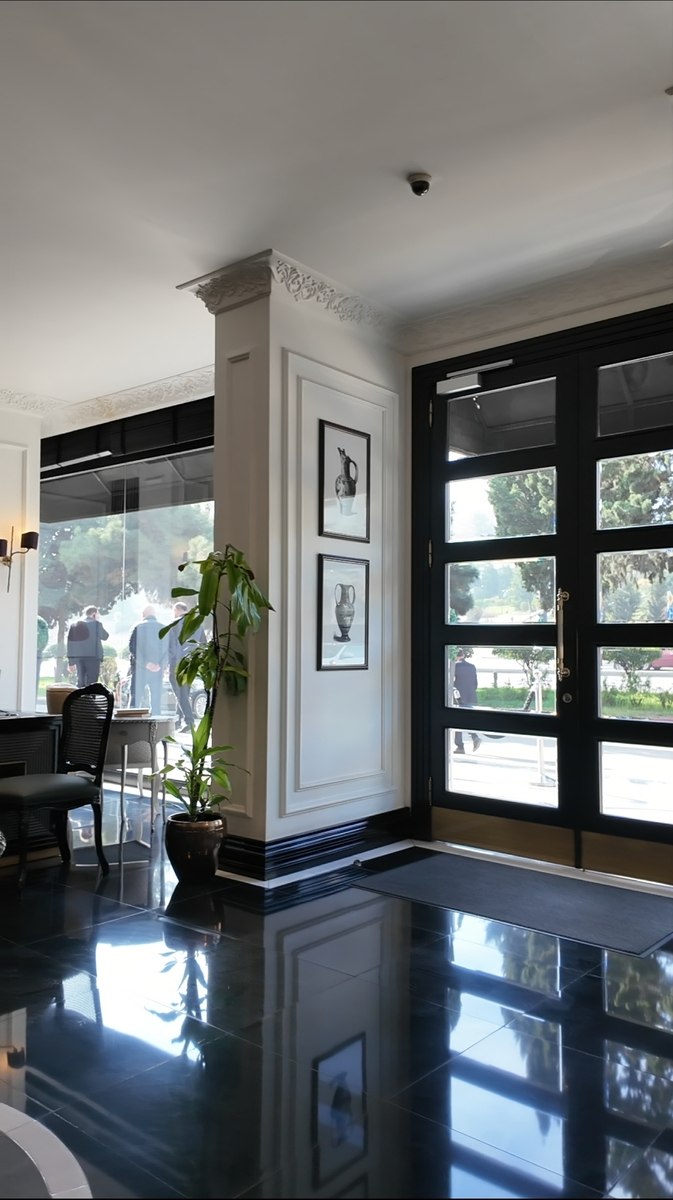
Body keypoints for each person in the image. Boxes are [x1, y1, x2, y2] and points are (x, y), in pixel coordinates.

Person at [129, 605, 167, 714]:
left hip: (139, 669)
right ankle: (156, 723)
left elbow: (132, 648)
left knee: (135, 700)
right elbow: (170, 649)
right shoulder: (164, 628)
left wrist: (146, 663)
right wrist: (161, 664)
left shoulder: (137, 627)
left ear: (143, 615)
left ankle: (131, 722)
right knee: (156, 702)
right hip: (158, 670)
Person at [167, 601, 195, 730]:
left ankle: (189, 721)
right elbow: (202, 643)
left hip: (177, 663)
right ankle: (178, 721)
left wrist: (166, 663)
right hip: (192, 664)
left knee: (180, 694)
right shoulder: (197, 624)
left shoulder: (174, 624)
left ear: (177, 610)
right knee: (184, 693)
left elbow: (171, 647)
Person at [66, 605, 109, 687]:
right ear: (94, 614)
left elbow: (70, 644)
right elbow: (105, 636)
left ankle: (80, 694)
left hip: (79, 658)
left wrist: (71, 662)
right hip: (93, 658)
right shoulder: (96, 624)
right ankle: (90, 695)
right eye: (98, 614)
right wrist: (97, 622)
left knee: (81, 681)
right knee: (92, 682)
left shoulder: (74, 625)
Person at [453, 648, 481, 754]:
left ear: (455, 656)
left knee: (457, 721)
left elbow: (451, 683)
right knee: (466, 719)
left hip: (459, 697)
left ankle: (460, 746)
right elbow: (475, 683)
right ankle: (474, 737)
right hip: (471, 696)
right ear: (463, 655)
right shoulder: (472, 666)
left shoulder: (454, 666)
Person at [36, 614, 48, 697]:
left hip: (35, 651)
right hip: (38, 652)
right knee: (35, 678)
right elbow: (44, 639)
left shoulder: (38, 621)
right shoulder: (41, 621)